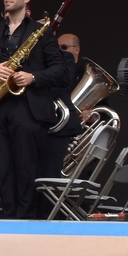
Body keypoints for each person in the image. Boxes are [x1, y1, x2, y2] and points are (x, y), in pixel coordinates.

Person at [0, 0, 72, 219]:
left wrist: (33, 77)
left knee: (26, 168)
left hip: (28, 108)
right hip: (0, 108)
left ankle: (26, 220)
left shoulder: (42, 31)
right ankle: (8, 219)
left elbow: (61, 70)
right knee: (3, 167)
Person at [40, 33, 87, 178]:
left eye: (64, 47)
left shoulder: (85, 71)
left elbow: (103, 107)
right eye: (57, 47)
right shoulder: (51, 65)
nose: (60, 51)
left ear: (77, 49)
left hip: (69, 130)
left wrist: (89, 113)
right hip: (52, 123)